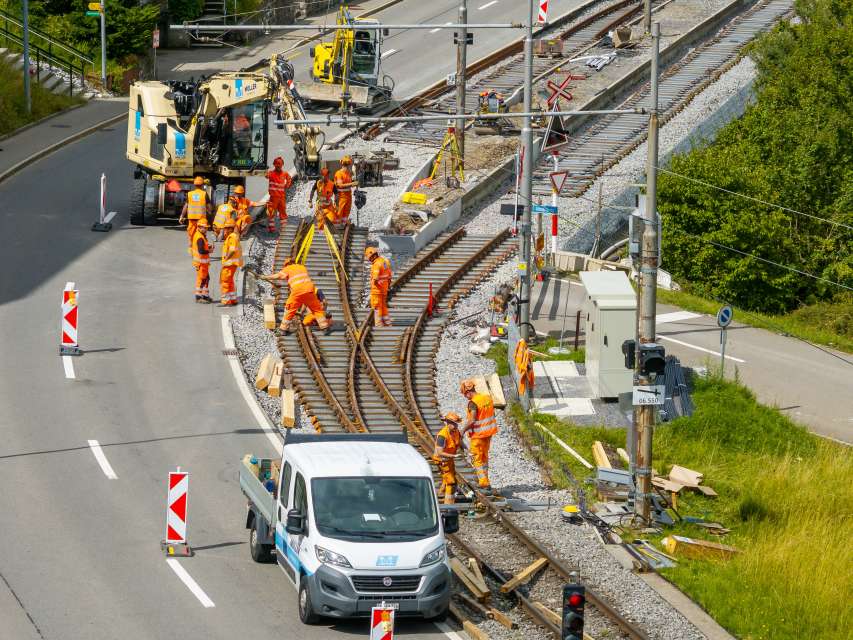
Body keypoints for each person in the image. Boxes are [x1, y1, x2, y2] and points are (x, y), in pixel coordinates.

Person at [259, 258, 330, 333]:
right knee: (317, 309)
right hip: (309, 290)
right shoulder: (302, 267)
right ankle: (325, 328)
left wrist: (265, 277)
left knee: (289, 309)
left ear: (286, 265)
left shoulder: (288, 269)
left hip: (297, 291)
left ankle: (283, 329)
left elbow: (278, 276)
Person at [459, 379, 498, 493]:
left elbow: (472, 420)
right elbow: (492, 414)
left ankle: (484, 483)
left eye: (465, 394)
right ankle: (485, 480)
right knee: (484, 457)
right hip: (488, 433)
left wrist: (462, 431)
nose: (465, 397)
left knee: (476, 458)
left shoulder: (473, 403)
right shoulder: (486, 398)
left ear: (468, 392)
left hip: (478, 435)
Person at [433, 412, 463, 504]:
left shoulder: (455, 431)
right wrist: (454, 456)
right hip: (442, 461)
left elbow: (460, 442)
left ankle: (438, 496)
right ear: (448, 423)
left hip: (449, 460)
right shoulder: (442, 435)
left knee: (448, 478)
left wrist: (467, 450)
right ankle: (448, 505)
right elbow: (440, 452)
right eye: (453, 424)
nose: (455, 426)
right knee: (451, 482)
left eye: (456, 424)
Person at [180, 176, 211, 253]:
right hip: (202, 220)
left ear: (194, 185)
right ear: (202, 185)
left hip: (192, 220)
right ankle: (202, 249)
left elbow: (186, 206)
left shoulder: (189, 194)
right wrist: (210, 214)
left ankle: (192, 250)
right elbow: (209, 207)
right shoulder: (204, 194)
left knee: (191, 235)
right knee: (201, 236)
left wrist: (182, 216)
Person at [365, 246, 392, 327]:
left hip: (377, 291)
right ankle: (387, 323)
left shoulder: (376, 264)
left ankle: (379, 325)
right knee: (383, 306)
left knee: (377, 308)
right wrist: (387, 286)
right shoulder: (385, 261)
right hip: (384, 289)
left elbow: (376, 278)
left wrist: (374, 286)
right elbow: (389, 276)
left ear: (371, 257)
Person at [266, 156, 293, 234]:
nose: (278, 166)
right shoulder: (271, 173)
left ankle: (283, 229)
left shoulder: (284, 173)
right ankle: (272, 229)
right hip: (274, 197)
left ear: (282, 165)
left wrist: (287, 185)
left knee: (282, 212)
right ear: (274, 164)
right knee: (271, 212)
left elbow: (289, 178)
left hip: (281, 197)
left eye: (279, 164)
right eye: (277, 164)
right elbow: (265, 175)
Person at [219, 218, 243, 306]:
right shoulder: (233, 236)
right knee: (230, 281)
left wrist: (226, 259)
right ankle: (233, 299)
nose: (225, 230)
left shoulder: (232, 237)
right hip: (232, 264)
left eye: (226, 228)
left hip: (230, 263)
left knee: (225, 281)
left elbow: (232, 250)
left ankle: (226, 301)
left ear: (230, 228)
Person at [191, 217, 212, 303]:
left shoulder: (200, 235)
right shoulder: (200, 237)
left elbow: (202, 247)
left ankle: (205, 295)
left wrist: (207, 247)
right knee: (202, 279)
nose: (206, 229)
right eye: (204, 228)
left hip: (203, 263)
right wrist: (209, 250)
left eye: (206, 228)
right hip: (201, 263)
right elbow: (201, 251)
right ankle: (199, 297)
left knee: (206, 278)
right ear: (199, 227)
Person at [333, 156, 358, 223]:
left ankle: (344, 223)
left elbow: (348, 184)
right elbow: (340, 185)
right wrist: (352, 184)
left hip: (348, 195)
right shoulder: (339, 173)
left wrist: (353, 184)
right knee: (339, 211)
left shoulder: (347, 173)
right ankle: (337, 224)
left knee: (346, 211)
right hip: (341, 196)